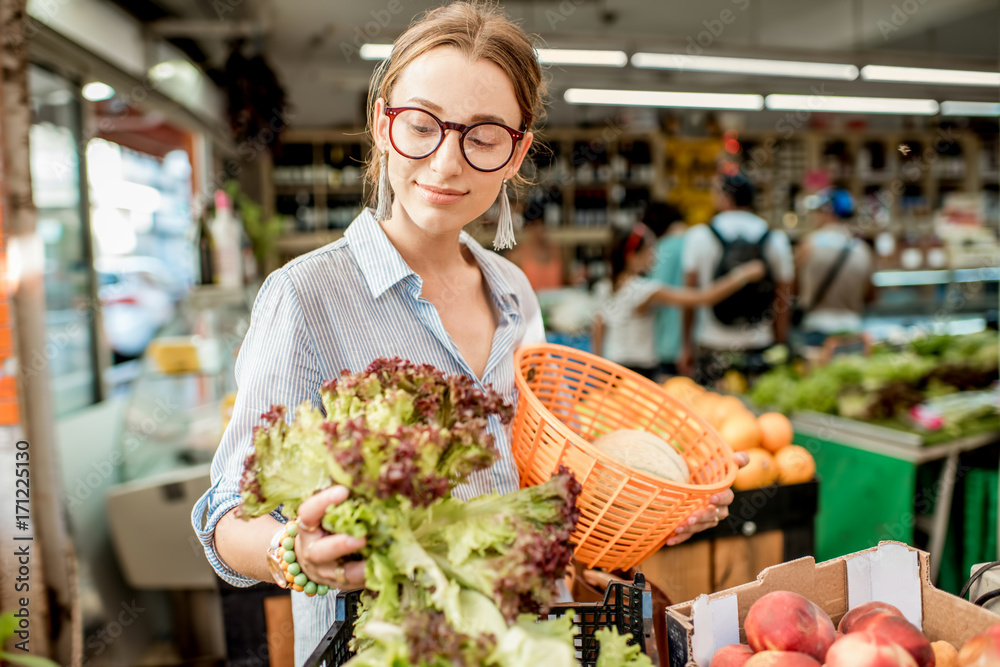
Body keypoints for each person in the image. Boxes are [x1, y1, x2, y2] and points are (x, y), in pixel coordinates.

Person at [191, 5, 742, 663]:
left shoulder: (513, 290)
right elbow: (227, 512)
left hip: (529, 643)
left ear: (517, 153)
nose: (447, 163)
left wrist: (649, 509)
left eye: (482, 137)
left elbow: (546, 496)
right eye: (422, 125)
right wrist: (296, 551)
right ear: (382, 124)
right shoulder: (307, 296)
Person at [592, 222, 765, 380]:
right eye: (649, 250)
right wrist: (743, 274)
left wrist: (597, 367)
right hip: (637, 372)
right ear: (632, 256)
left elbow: (599, 327)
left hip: (611, 367)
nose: (654, 256)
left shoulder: (605, 287)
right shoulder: (643, 290)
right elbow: (703, 297)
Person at [679, 173, 795, 386]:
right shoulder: (775, 238)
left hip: (711, 343)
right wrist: (781, 342)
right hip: (759, 344)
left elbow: (690, 298)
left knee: (714, 412)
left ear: (725, 197)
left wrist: (686, 345)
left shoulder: (699, 236)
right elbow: (784, 297)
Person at [795, 188, 876, 346]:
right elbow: (871, 296)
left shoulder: (808, 244)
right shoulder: (862, 249)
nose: (814, 216)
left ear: (827, 211)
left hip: (816, 329)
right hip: (852, 330)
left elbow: (793, 288)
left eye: (817, 211)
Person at [644, 202, 689, 377]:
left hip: (668, 344)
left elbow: (653, 292)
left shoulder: (663, 248)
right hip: (696, 341)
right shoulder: (699, 241)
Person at [507, 215, 564, 290]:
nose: (540, 230)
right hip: (529, 300)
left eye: (542, 225)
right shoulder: (516, 256)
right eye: (535, 225)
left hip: (557, 299)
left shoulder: (556, 251)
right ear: (527, 229)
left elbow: (566, 281)